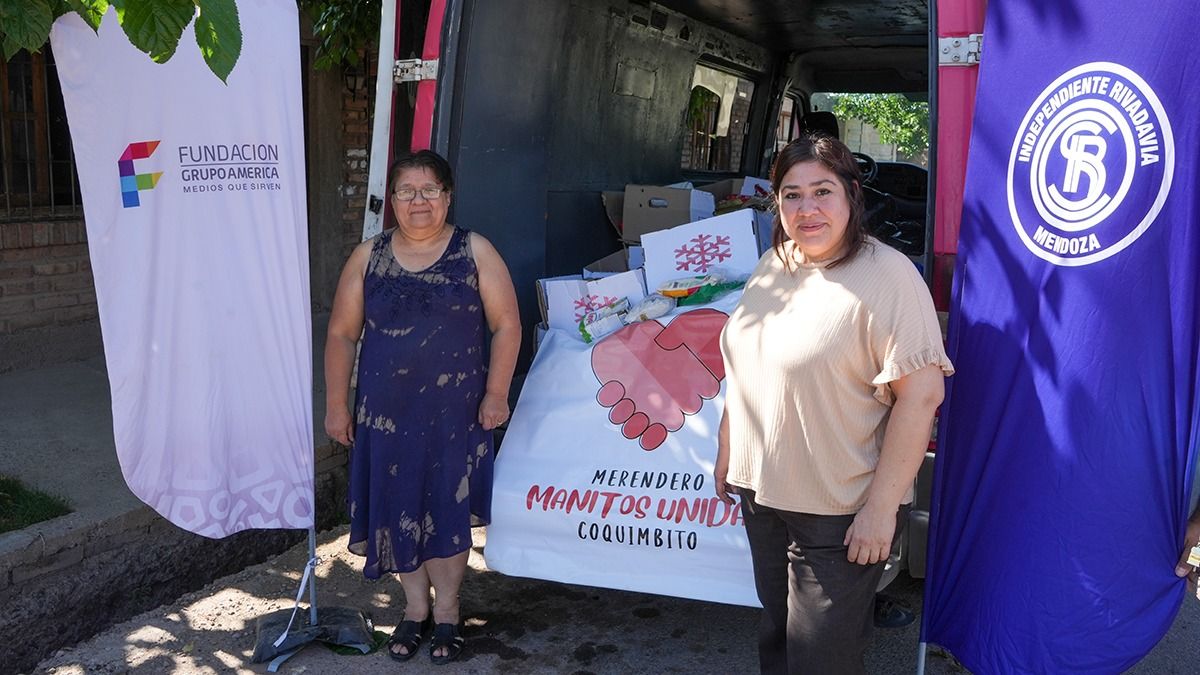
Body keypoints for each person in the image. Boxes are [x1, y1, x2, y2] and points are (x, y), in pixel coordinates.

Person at [714, 134, 953, 674]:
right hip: (763, 495)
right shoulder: (774, 263)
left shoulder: (889, 275)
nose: (808, 209)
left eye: (822, 191)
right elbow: (748, 363)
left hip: (839, 508)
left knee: (821, 659)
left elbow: (921, 397)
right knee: (778, 639)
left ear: (851, 195)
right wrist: (730, 445)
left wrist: (880, 511)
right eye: (792, 195)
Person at [324, 149, 520, 664]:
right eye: (407, 191)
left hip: (455, 415)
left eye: (429, 190)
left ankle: (448, 612)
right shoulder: (368, 256)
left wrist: (496, 393)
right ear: (392, 200)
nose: (418, 201)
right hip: (384, 417)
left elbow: (507, 325)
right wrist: (337, 405)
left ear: (447, 196)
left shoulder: (474, 250)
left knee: (446, 510)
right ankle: (415, 610)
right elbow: (341, 334)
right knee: (397, 507)